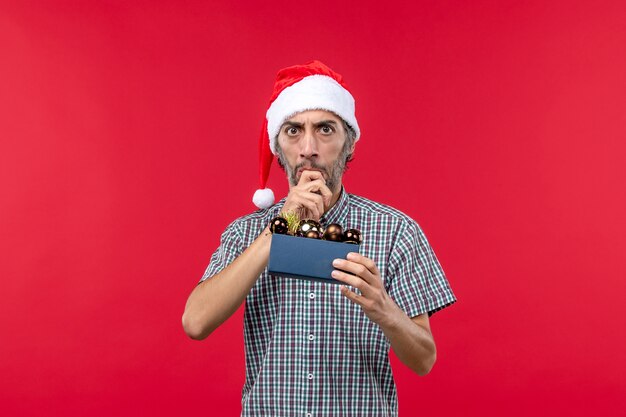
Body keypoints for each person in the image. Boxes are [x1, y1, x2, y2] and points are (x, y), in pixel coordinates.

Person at [182, 61, 456, 417]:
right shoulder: (246, 232)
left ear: (350, 143)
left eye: (325, 129)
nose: (308, 148)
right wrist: (279, 228)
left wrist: (384, 309)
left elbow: (424, 360)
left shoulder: (396, 231)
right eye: (293, 131)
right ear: (278, 147)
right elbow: (195, 323)